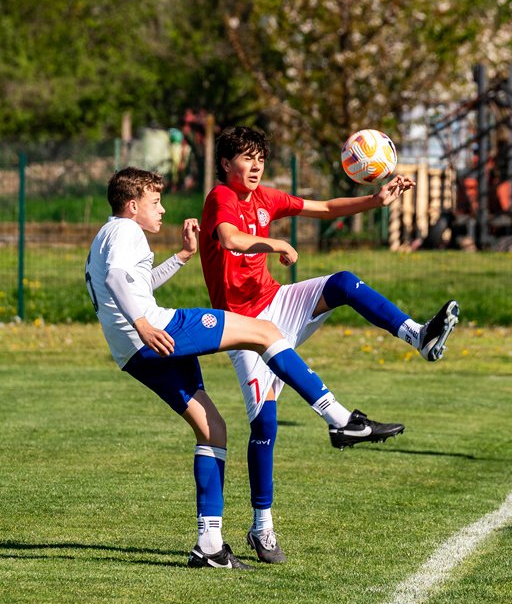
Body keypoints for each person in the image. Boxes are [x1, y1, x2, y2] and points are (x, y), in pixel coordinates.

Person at [85, 167, 405, 570]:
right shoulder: (125, 230)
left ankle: (209, 546)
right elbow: (117, 279)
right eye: (155, 202)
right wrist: (144, 324)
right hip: (156, 331)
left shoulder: (107, 235)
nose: (162, 209)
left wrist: (182, 257)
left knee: (212, 429)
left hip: (132, 353)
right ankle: (340, 419)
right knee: (265, 332)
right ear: (132, 206)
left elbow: (136, 285)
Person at [199, 125, 460, 564]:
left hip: (278, 302)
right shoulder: (220, 197)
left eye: (260, 158)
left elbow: (323, 207)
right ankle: (262, 528)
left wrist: (375, 200)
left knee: (342, 282)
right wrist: (273, 243)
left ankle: (417, 335)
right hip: (242, 325)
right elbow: (230, 239)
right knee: (265, 426)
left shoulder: (265, 197)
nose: (256, 167)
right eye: (246, 159)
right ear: (226, 164)